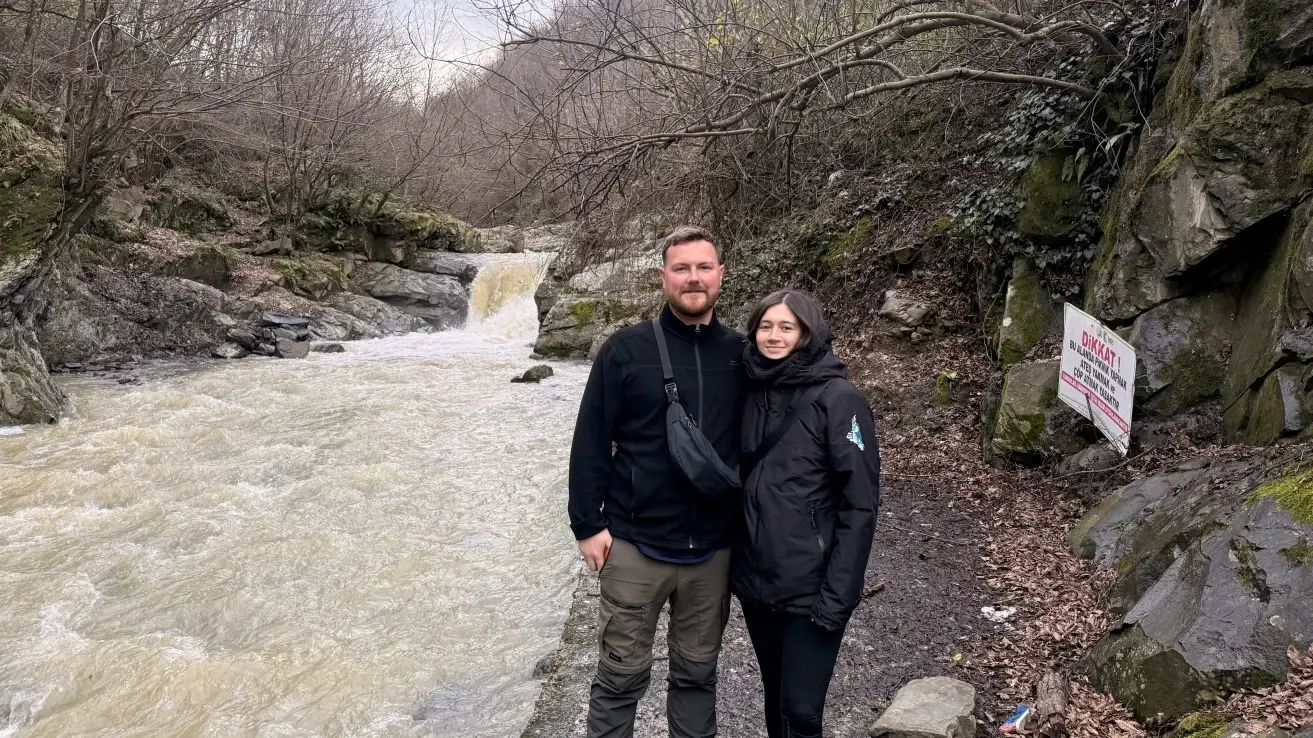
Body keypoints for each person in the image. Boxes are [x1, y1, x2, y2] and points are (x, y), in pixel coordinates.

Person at [568, 225, 746, 738]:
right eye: (682, 268)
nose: (694, 278)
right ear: (664, 276)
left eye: (704, 267)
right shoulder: (625, 351)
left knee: (697, 677)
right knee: (619, 679)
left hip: (711, 552)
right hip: (635, 545)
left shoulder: (741, 355)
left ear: (720, 275)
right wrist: (587, 525)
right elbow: (591, 440)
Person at [732, 289, 880, 738]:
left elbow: (860, 504)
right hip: (758, 583)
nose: (773, 336)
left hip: (812, 587)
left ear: (807, 333)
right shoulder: (749, 386)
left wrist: (838, 596)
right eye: (766, 326)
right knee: (775, 700)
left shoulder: (838, 399)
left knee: (802, 712)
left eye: (786, 327)